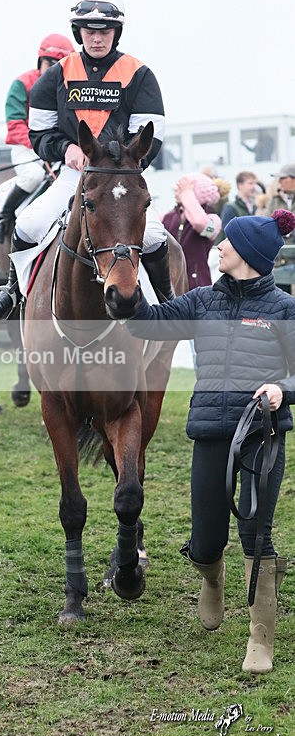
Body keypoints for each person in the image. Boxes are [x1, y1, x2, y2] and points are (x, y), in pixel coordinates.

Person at [127, 209, 295, 674]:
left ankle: (260, 640)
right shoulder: (202, 300)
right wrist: (126, 289)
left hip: (262, 434)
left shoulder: (283, 309)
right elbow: (148, 322)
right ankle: (212, 578)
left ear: (247, 254)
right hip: (209, 433)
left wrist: (284, 389)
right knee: (205, 542)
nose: (217, 246)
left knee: (255, 532)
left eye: (226, 241)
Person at [0, 0, 171, 320]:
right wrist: (65, 147)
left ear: (116, 32)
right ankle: (13, 292)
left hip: (122, 178)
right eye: (89, 31)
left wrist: (118, 161)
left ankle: (168, 303)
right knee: (27, 223)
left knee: (154, 237)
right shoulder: (56, 76)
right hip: (75, 174)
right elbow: (39, 130)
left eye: (105, 31)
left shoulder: (140, 75)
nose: (97, 39)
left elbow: (149, 137)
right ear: (78, 32)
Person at [0, 33, 75, 244]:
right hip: (27, 146)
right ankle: (3, 217)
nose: (54, 68)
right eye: (49, 63)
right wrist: (42, 147)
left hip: (60, 147)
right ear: (40, 61)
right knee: (34, 175)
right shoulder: (21, 84)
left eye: (59, 64)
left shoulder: (72, 88)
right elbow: (15, 124)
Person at [162, 173, 221, 290]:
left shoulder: (213, 219)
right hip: (171, 287)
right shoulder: (167, 217)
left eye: (180, 189)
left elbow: (200, 224)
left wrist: (187, 195)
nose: (176, 191)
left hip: (198, 286)